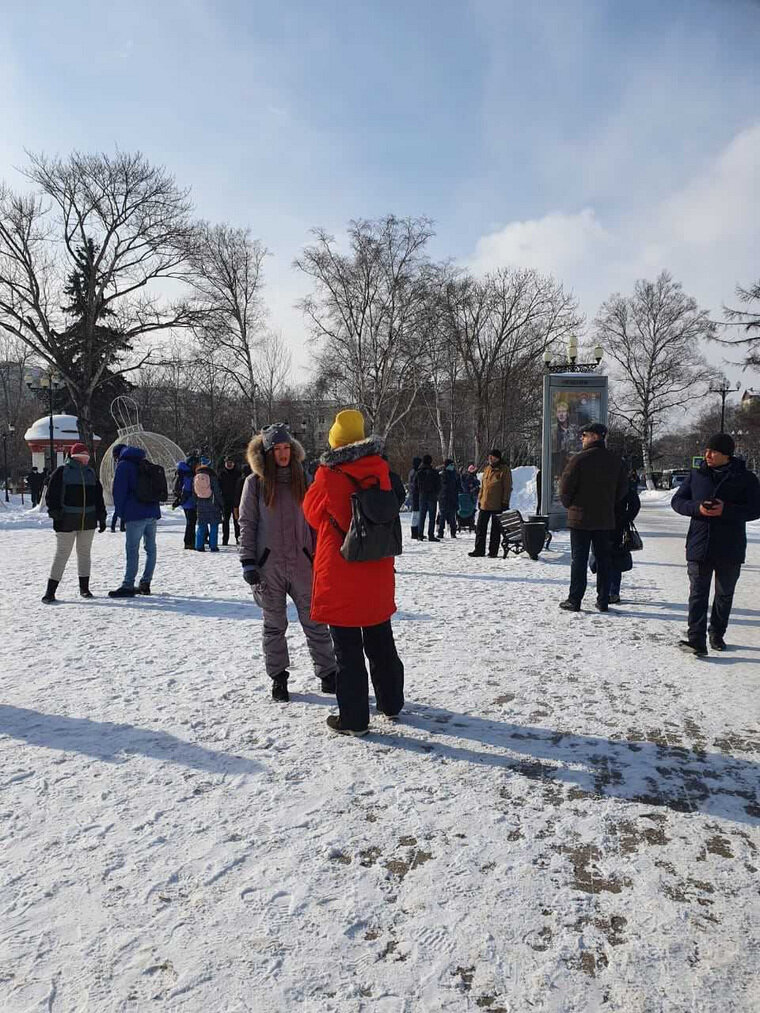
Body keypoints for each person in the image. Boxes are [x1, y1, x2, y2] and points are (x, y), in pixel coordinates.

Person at [303, 409, 405, 736]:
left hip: (342, 572)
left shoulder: (329, 474)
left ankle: (354, 719)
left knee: (347, 651)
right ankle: (391, 704)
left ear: (335, 442)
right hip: (377, 569)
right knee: (381, 642)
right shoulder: (382, 469)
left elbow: (311, 514)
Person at [239, 423, 338, 702]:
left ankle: (328, 673)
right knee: (273, 625)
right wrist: (248, 561)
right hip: (268, 566)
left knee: (316, 620)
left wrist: (319, 555)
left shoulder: (305, 480)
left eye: (286, 448)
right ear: (267, 453)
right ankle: (279, 678)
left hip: (302, 563)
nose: (282, 454)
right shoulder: (255, 484)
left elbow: (318, 522)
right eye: (277, 449)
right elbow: (247, 523)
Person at [671, 433, 760, 655]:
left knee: (724, 594)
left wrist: (726, 510)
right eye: (707, 450)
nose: (707, 455)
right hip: (700, 544)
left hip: (730, 547)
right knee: (698, 593)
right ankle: (696, 640)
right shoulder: (697, 475)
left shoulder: (746, 478)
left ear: (727, 455)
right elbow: (678, 501)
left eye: (714, 452)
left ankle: (717, 633)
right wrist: (697, 508)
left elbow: (756, 509)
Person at [558, 422, 628, 612]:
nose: (582, 438)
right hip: (605, 519)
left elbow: (565, 489)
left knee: (578, 560)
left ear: (596, 436)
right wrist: (608, 504)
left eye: (585, 435)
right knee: (604, 560)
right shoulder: (615, 461)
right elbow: (623, 490)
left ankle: (575, 599)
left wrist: (570, 505)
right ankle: (603, 599)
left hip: (579, 519)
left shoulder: (579, 459)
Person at [41, 443, 107, 603]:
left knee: (84, 554)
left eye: (87, 458)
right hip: (66, 521)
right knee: (62, 554)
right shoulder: (62, 472)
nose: (86, 460)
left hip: (88, 521)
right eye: (83, 458)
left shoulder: (90, 473)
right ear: (75, 457)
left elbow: (99, 498)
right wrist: (56, 514)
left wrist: (101, 516)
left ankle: (84, 588)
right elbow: (51, 495)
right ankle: (50, 591)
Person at [109, 446, 162, 597]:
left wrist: (121, 514)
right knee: (151, 549)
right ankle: (146, 583)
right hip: (152, 512)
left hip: (135, 513)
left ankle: (128, 585)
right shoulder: (145, 463)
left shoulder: (124, 466)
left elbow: (119, 492)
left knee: (132, 550)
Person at [469, 449, 512, 558]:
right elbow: (483, 487)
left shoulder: (504, 470)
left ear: (498, 458)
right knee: (480, 528)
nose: (490, 459)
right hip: (484, 503)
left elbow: (507, 487)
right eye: (489, 457)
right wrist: (480, 499)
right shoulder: (487, 469)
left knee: (495, 530)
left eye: (492, 457)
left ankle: (493, 551)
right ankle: (479, 550)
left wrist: (505, 501)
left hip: (497, 504)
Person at [193, 462, 223, 552]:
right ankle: (213, 546)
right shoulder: (212, 477)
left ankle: (199, 546)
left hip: (200, 504)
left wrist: (196, 502)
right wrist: (221, 503)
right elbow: (217, 491)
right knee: (214, 526)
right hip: (213, 504)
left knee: (201, 526)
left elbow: (193, 492)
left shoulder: (196, 477)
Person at [416, 454, 441, 541]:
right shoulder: (434, 472)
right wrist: (436, 492)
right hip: (432, 496)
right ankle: (431, 534)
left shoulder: (419, 472)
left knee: (422, 516)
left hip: (422, 495)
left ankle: (420, 534)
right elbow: (439, 484)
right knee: (432, 516)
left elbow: (415, 485)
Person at [173, 458, 197, 549]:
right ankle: (189, 542)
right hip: (189, 501)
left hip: (185, 502)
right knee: (191, 522)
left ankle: (189, 542)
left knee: (190, 522)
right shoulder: (188, 474)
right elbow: (187, 489)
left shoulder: (182, 472)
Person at [218, 456, 241, 546]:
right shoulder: (221, 474)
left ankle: (238, 538)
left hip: (236, 501)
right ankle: (225, 539)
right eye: (227, 462)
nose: (229, 464)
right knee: (225, 521)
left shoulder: (238, 473)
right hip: (225, 501)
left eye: (231, 462)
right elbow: (218, 487)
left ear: (234, 463)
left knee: (237, 521)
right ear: (225, 463)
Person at [436, 458, 461, 538]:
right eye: (451, 465)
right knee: (442, 516)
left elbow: (459, 486)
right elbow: (440, 486)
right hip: (444, 498)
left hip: (452, 497)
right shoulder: (442, 474)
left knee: (452, 516)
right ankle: (440, 532)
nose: (452, 466)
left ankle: (453, 532)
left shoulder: (455, 475)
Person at [109, 444, 127, 532]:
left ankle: (120, 526)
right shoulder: (120, 464)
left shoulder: (120, 464)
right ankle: (114, 526)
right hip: (120, 490)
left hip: (118, 490)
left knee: (121, 509)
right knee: (119, 509)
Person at [408, 456, 422, 540]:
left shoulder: (412, 472)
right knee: (415, 515)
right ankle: (414, 533)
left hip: (414, 494)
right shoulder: (415, 472)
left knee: (416, 514)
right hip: (416, 495)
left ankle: (416, 532)